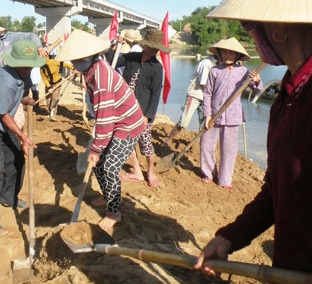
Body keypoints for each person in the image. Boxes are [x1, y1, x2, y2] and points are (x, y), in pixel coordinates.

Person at [194, 0, 312, 284]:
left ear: (277, 31)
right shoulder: (287, 95)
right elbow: (277, 189)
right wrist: (230, 237)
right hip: (292, 273)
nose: (251, 39)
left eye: (252, 28)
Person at [55, 29, 144, 230]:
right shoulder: (90, 71)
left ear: (90, 56)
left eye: (78, 59)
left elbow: (105, 117)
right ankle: (108, 197)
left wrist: (97, 148)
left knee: (109, 165)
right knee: (98, 163)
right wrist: (97, 148)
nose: (75, 63)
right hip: (114, 121)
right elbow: (103, 115)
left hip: (127, 124)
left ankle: (114, 212)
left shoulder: (102, 76)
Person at [0, 39, 46, 238]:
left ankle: (8, 197)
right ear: (13, 61)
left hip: (3, 124)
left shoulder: (21, 76)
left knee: (17, 161)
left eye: (29, 64)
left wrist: (25, 99)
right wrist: (23, 137)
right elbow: (4, 115)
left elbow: (16, 96)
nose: (26, 68)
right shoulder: (4, 82)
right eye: (22, 64)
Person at [199, 37, 262, 189]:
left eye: (231, 53)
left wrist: (257, 81)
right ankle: (208, 173)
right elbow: (207, 94)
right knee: (206, 145)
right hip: (213, 115)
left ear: (237, 56)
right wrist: (207, 115)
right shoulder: (215, 71)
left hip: (233, 116)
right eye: (225, 52)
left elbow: (257, 90)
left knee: (228, 149)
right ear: (220, 54)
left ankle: (225, 180)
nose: (228, 55)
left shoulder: (244, 72)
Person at [113, 28, 170, 188]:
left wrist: (148, 116)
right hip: (124, 106)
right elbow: (113, 60)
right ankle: (137, 171)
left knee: (145, 142)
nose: (153, 50)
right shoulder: (131, 58)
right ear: (144, 45)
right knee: (127, 140)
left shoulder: (157, 68)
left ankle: (150, 171)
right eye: (151, 47)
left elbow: (155, 94)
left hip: (142, 110)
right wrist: (115, 46)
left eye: (156, 48)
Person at [164, 54, 217, 144]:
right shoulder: (207, 64)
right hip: (195, 94)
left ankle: (202, 145)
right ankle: (168, 140)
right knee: (184, 122)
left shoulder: (217, 65)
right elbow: (203, 84)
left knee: (204, 124)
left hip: (207, 98)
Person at [39, 50, 74, 121]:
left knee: (54, 99)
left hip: (57, 83)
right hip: (49, 84)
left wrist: (74, 68)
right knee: (48, 99)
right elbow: (44, 78)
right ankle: (50, 113)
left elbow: (65, 64)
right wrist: (49, 87)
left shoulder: (55, 62)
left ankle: (52, 114)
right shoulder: (42, 67)